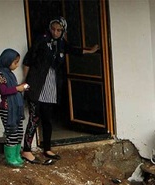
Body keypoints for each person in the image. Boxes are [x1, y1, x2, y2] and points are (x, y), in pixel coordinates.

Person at [21, 17, 99, 163]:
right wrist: (25, 82)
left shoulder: (61, 43)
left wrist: (91, 51)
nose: (55, 32)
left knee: (47, 118)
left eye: (59, 30)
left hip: (51, 85)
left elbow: (73, 50)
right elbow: (28, 60)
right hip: (37, 84)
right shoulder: (42, 40)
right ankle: (26, 150)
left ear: (63, 31)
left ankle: (47, 148)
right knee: (34, 118)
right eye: (53, 29)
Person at [0, 48, 28, 168]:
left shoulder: (10, 74)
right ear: (7, 60)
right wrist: (17, 89)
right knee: (12, 133)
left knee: (19, 133)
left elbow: (13, 88)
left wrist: (21, 87)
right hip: (8, 109)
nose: (17, 65)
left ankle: (16, 156)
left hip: (16, 109)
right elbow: (3, 91)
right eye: (15, 62)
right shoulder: (0, 74)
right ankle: (10, 159)